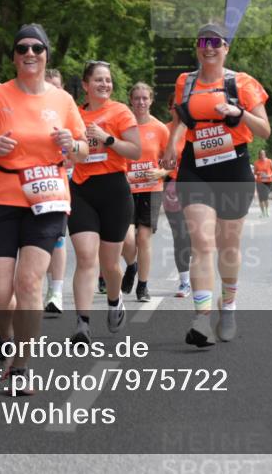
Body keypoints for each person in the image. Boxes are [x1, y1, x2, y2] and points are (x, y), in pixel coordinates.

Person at [0, 23, 86, 391]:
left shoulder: (62, 101)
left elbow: (83, 150)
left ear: (47, 53)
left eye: (37, 48)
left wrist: (72, 144)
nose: (30, 54)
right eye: (22, 49)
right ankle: (6, 336)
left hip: (47, 199)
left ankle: (21, 366)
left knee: (29, 281)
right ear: (14, 56)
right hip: (0, 197)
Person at [163, 23, 270, 347]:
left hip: (233, 168)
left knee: (229, 245)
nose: (208, 47)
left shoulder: (243, 83)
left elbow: (264, 130)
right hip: (196, 167)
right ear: (197, 47)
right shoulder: (186, 82)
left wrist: (238, 113)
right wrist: (172, 144)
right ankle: (202, 318)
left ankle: (230, 307)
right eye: (202, 42)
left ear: (226, 48)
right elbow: (182, 119)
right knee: (201, 242)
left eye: (215, 42)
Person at [68, 61, 141, 345]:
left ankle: (114, 301)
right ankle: (82, 324)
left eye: (108, 80)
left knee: (109, 263)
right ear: (86, 85)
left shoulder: (120, 111)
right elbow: (68, 152)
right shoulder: (73, 114)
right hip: (82, 190)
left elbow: (135, 151)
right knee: (86, 256)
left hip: (114, 191)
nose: (104, 85)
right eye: (98, 80)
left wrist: (107, 138)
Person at [121, 82, 169, 301]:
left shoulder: (160, 129)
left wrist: (160, 172)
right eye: (137, 98)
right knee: (125, 238)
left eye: (144, 98)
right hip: (126, 189)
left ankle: (143, 286)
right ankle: (132, 266)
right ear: (131, 100)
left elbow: (172, 163)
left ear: (151, 100)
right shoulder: (122, 126)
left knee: (143, 238)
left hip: (151, 189)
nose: (140, 102)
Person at [43, 67, 68, 316]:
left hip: (67, 183)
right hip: (36, 184)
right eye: (47, 85)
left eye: (56, 85)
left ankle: (56, 292)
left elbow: (84, 147)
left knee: (59, 238)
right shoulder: (29, 109)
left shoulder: (69, 110)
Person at [163, 94, 192, 297]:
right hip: (171, 186)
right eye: (175, 107)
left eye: (182, 107)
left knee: (197, 235)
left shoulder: (194, 130)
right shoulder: (163, 130)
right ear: (169, 109)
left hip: (195, 187)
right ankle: (184, 282)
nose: (178, 110)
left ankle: (199, 275)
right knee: (180, 235)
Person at [253, 150, 272, 218]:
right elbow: (255, 172)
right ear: (259, 155)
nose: (262, 155)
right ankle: (262, 212)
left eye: (263, 154)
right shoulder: (256, 162)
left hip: (268, 180)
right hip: (259, 181)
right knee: (261, 198)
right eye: (261, 154)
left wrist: (270, 175)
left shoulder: (269, 161)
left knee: (265, 196)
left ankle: (267, 210)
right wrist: (259, 173)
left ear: (265, 154)